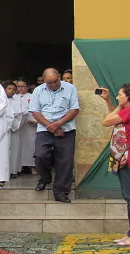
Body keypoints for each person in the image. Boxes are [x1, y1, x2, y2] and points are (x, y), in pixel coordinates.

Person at [98, 84, 130, 246]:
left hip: (129, 157)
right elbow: (116, 117)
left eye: (120, 95)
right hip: (124, 157)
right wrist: (109, 102)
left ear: (129, 96)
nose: (118, 97)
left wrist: (118, 105)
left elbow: (106, 121)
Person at [29, 68, 80, 203]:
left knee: (65, 161)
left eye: (55, 81)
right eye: (49, 83)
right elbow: (35, 111)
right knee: (40, 155)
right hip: (44, 129)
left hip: (66, 129)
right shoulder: (38, 90)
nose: (52, 85)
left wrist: (58, 124)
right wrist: (50, 126)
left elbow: (74, 109)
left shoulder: (70, 88)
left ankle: (61, 191)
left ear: (59, 77)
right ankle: (45, 178)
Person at [5, 83, 25, 178]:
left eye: (14, 89)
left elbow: (20, 116)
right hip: (2, 130)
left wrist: (12, 126)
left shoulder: (17, 101)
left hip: (13, 129)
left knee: (14, 150)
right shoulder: (0, 100)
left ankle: (13, 170)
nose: (11, 91)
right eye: (9, 88)